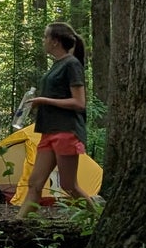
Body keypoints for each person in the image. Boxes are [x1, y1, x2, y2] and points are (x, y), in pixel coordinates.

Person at [16, 21, 91, 214]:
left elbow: (79, 103)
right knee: (35, 183)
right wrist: (38, 103)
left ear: (55, 41)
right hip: (48, 131)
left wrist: (45, 101)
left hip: (66, 131)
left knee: (69, 185)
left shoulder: (72, 64)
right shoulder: (57, 65)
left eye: (45, 36)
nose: (44, 40)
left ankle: (99, 221)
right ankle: (18, 224)